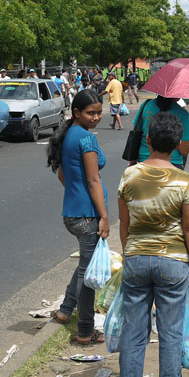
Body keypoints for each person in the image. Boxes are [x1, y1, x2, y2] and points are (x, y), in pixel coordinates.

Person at [117, 111, 189, 377]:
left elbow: (123, 222)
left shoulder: (130, 175)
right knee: (170, 329)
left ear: (148, 140)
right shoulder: (183, 181)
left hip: (136, 258)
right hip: (173, 262)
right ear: (179, 143)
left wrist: (130, 252)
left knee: (134, 326)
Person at [46, 89, 109, 345]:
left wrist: (75, 192)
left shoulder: (69, 134)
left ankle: (64, 310)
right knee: (87, 274)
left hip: (73, 212)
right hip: (87, 216)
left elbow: (63, 174)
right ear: (76, 113)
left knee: (85, 265)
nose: (96, 117)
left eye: (98, 112)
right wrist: (104, 216)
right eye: (90, 113)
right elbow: (93, 180)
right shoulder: (85, 139)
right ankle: (85, 331)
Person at [131, 95, 189, 170]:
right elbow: (184, 150)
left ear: (148, 139)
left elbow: (136, 132)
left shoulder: (146, 105)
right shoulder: (183, 114)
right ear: (177, 144)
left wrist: (132, 163)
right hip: (172, 164)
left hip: (144, 160)